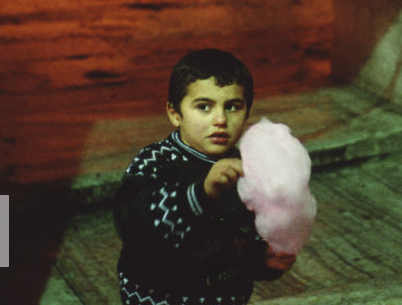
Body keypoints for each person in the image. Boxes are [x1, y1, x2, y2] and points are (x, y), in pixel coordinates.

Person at [114, 49, 297, 305]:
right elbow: (134, 225)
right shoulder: (157, 161)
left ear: (246, 113)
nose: (220, 119)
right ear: (175, 113)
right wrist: (201, 192)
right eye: (204, 107)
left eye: (232, 107)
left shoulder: (247, 169)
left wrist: (262, 258)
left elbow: (242, 241)